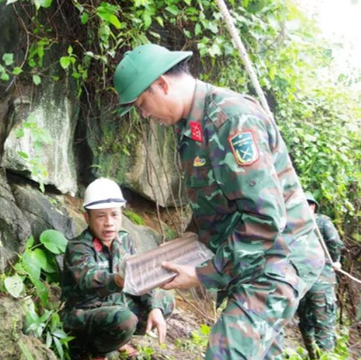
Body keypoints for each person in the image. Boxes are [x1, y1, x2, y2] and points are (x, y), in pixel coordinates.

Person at [113, 43, 326, 359]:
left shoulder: (231, 119)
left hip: (279, 256)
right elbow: (213, 207)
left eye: (142, 103)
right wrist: (177, 250)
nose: (144, 115)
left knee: (226, 351)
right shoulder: (193, 128)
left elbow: (265, 218)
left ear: (161, 83)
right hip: (250, 258)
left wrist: (202, 274)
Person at [61, 178, 175, 360]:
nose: (109, 223)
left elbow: (140, 278)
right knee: (124, 319)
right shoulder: (78, 247)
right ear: (86, 217)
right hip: (83, 316)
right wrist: (119, 279)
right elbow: (88, 280)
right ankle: (95, 352)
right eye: (100, 216)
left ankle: (117, 341)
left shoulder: (124, 239)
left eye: (114, 215)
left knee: (165, 300)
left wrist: (154, 307)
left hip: (117, 307)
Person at [297, 192, 344, 359]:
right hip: (321, 282)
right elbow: (335, 242)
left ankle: (313, 355)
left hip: (300, 282)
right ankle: (324, 356)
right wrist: (335, 260)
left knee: (306, 324)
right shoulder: (322, 220)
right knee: (324, 326)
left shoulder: (291, 224)